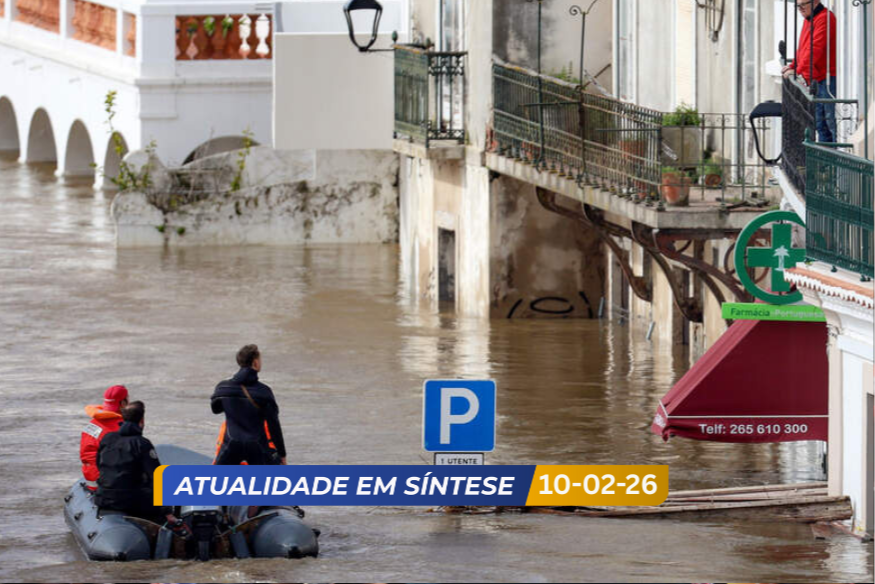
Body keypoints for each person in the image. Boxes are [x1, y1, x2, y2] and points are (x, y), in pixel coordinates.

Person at [94, 401, 170, 522]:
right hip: (131, 502)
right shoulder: (142, 443)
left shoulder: (107, 439)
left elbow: (99, 465)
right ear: (142, 420)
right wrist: (167, 510)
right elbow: (157, 477)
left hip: (104, 499)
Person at [211, 344, 287, 466]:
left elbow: (215, 409)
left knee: (213, 475)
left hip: (231, 444)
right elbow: (274, 426)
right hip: (257, 446)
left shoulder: (223, 387)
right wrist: (282, 455)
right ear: (255, 363)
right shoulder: (264, 391)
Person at [782, 0, 838, 143]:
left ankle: (833, 155)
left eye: (803, 4)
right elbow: (803, 47)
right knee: (820, 124)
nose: (800, 9)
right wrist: (793, 65)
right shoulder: (810, 18)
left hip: (827, 78)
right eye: (797, 6)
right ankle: (826, 156)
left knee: (830, 122)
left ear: (815, 2)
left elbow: (815, 49)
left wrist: (797, 70)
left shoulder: (825, 18)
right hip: (817, 78)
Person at [80, 385, 129, 491]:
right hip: (106, 484)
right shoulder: (119, 427)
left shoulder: (93, 422)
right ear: (123, 403)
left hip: (90, 478)